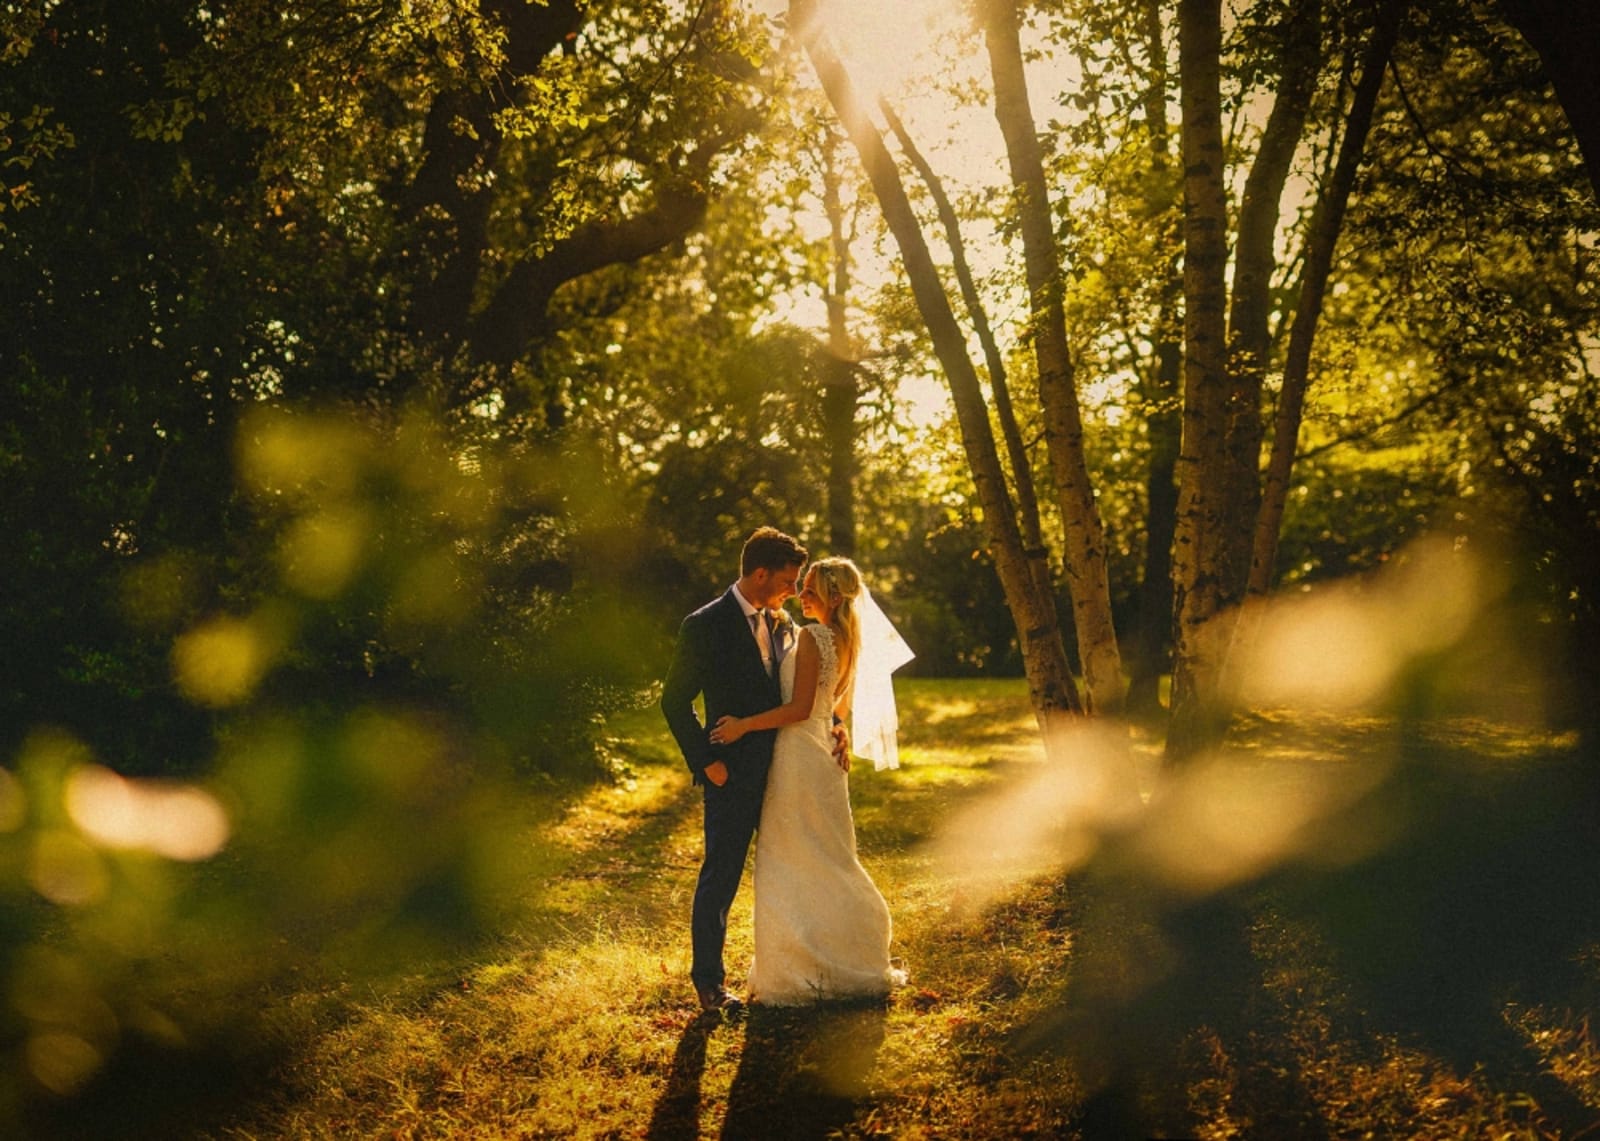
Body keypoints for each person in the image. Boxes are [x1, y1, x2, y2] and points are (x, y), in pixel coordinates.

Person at [709, 556, 910, 1006]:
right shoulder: (849, 639)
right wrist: (838, 729)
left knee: (792, 856)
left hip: (799, 755)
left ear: (833, 597)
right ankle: (832, 952)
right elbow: (833, 709)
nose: (801, 595)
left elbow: (799, 708)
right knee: (824, 853)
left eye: (812, 590)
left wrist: (742, 726)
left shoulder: (815, 635)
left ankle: (801, 967)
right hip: (819, 753)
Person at [661, 526, 813, 1015]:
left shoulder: (779, 621)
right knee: (721, 875)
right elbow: (673, 701)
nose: (793, 590)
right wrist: (708, 764)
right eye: (787, 581)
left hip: (784, 768)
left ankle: (796, 965)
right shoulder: (704, 624)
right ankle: (708, 983)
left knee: (790, 867)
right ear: (760, 572)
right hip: (731, 773)